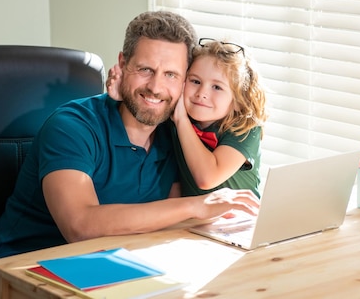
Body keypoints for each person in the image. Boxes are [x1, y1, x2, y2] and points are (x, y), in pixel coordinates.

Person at [0, 11, 260, 298]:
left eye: (171, 74)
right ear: (122, 63)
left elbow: (170, 223)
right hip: (18, 273)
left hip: (113, 273)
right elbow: (79, 227)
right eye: (145, 69)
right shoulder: (71, 126)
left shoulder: (176, 138)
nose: (156, 87)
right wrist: (197, 206)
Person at [107, 37, 268, 197]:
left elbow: (207, 178)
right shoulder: (176, 114)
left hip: (241, 220)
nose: (202, 93)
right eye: (195, 81)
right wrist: (124, 96)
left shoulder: (246, 128)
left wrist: (181, 121)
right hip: (192, 218)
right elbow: (144, 117)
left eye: (217, 87)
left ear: (239, 101)